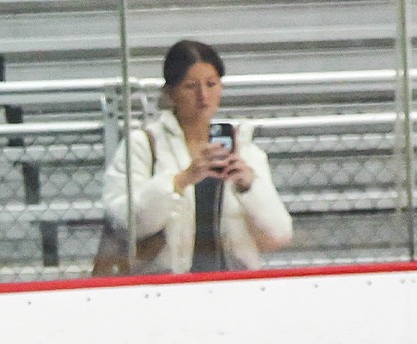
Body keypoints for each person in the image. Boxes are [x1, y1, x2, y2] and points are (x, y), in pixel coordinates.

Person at [101, 39, 292, 274]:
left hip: (233, 284)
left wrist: (249, 187)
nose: (203, 95)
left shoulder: (243, 149)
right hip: (163, 286)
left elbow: (279, 236)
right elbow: (125, 223)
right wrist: (180, 181)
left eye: (211, 84)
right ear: (170, 93)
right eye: (191, 86)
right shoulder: (144, 145)